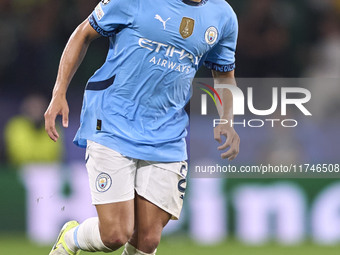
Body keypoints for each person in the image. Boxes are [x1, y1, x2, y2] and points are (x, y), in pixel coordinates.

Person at [44, 0, 240, 254]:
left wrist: (227, 119)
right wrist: (59, 91)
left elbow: (224, 75)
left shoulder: (223, 16)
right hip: (113, 121)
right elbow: (84, 33)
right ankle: (71, 238)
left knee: (148, 240)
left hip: (168, 133)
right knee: (115, 235)